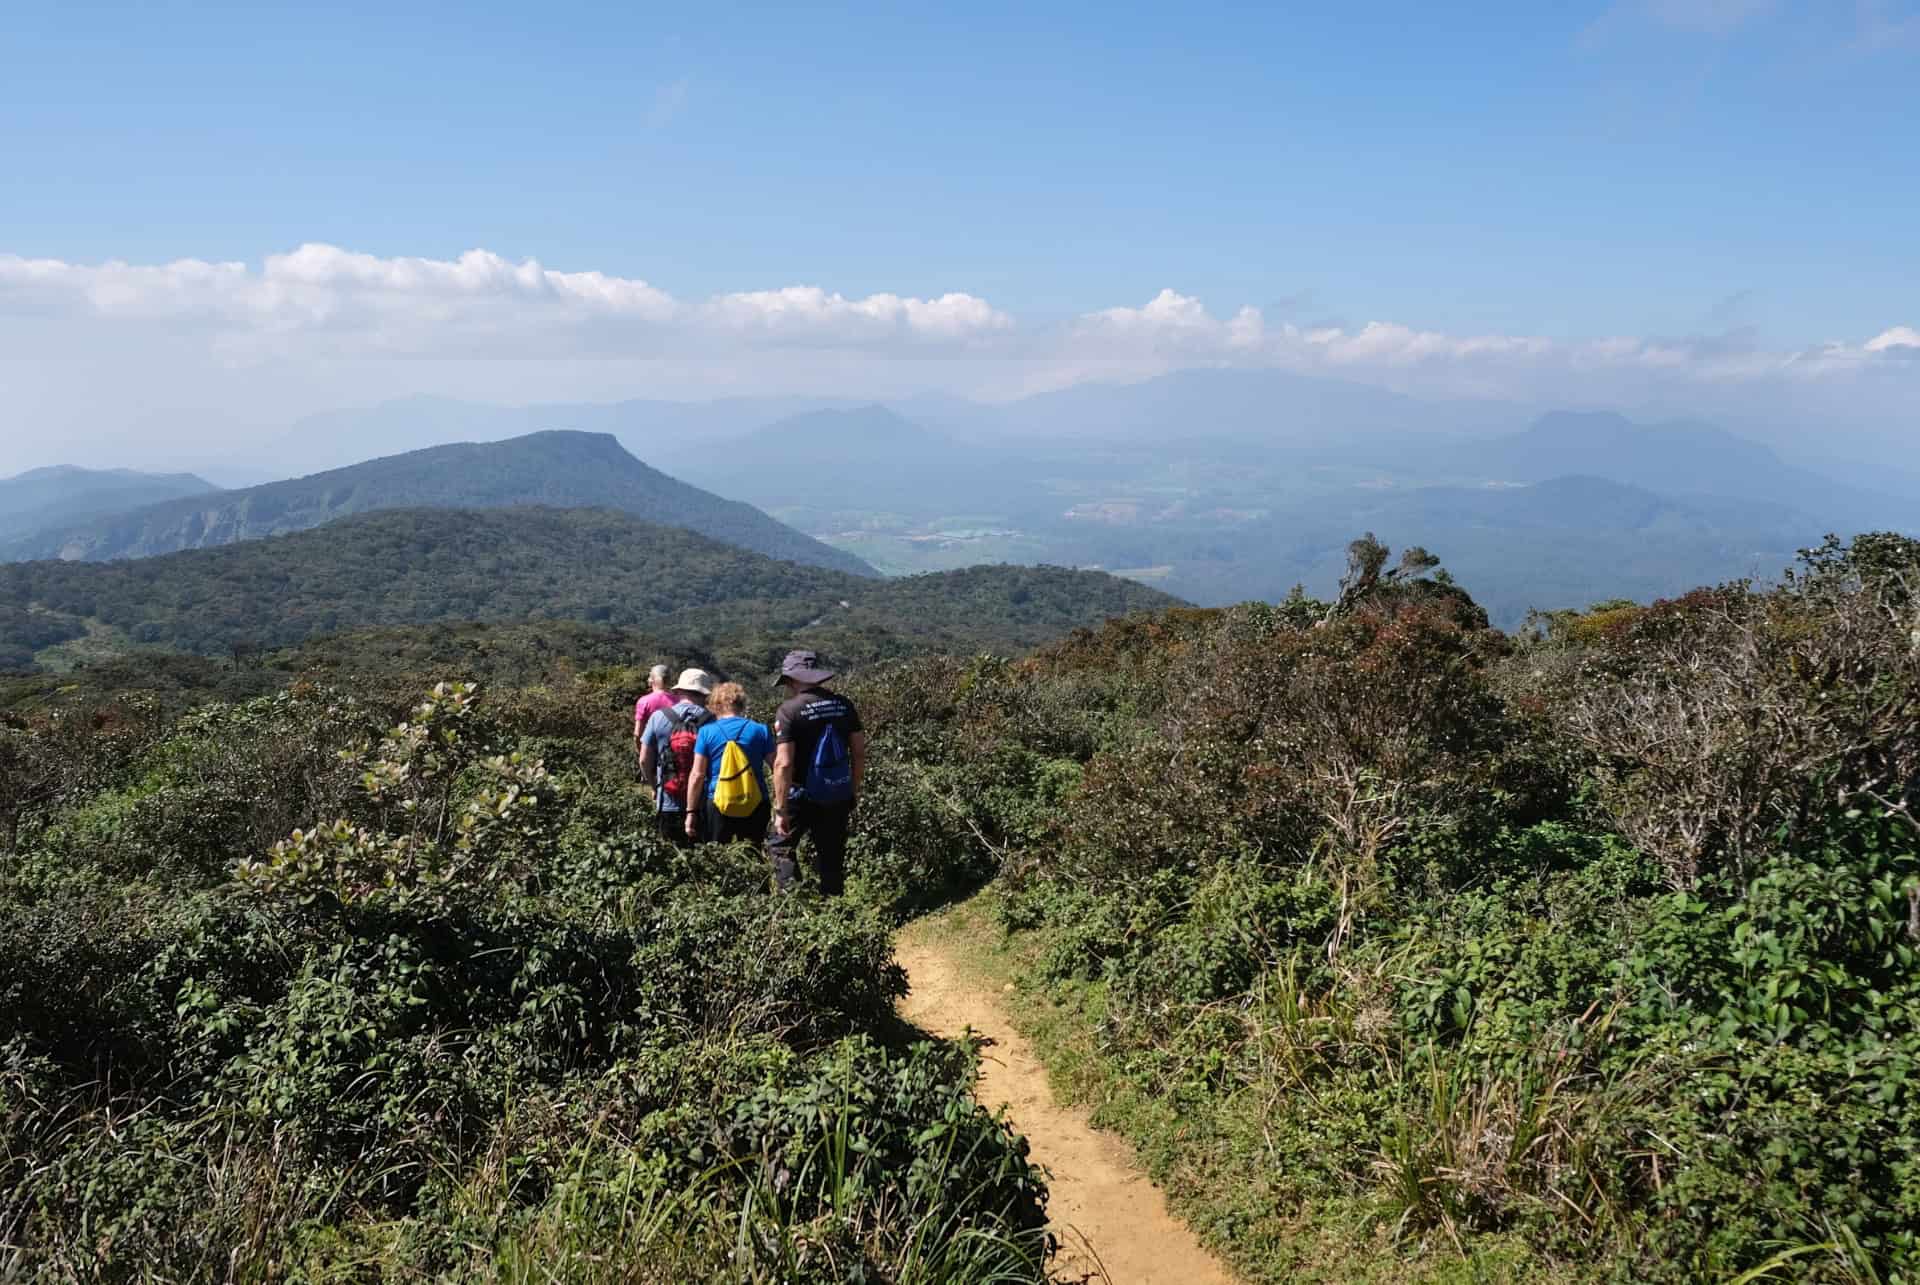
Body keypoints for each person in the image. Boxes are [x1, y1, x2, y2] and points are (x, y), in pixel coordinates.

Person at [766, 649, 866, 895]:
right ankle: (835, 909)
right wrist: (851, 790)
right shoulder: (844, 705)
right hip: (838, 791)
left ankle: (793, 904)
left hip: (800, 793)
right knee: (831, 853)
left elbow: (783, 764)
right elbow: (859, 752)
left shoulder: (789, 711)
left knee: (780, 845)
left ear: (792, 679)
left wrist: (780, 809)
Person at [684, 681, 774, 846]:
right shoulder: (761, 730)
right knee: (753, 856)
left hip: (718, 803)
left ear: (715, 705)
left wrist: (691, 812)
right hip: (755, 801)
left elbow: (697, 775)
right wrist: (781, 806)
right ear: (741, 704)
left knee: (718, 857)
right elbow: (777, 767)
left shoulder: (706, 732)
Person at [636, 668, 715, 847]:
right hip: (702, 804)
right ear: (704, 694)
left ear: (679, 691)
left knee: (671, 856)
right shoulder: (713, 721)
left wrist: (655, 786)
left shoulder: (658, 717)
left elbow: (643, 759)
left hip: (668, 801)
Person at [632, 664, 676, 763]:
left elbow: (638, 733)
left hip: (652, 753)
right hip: (674, 753)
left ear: (652, 680)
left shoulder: (644, 701)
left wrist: (640, 752)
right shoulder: (678, 701)